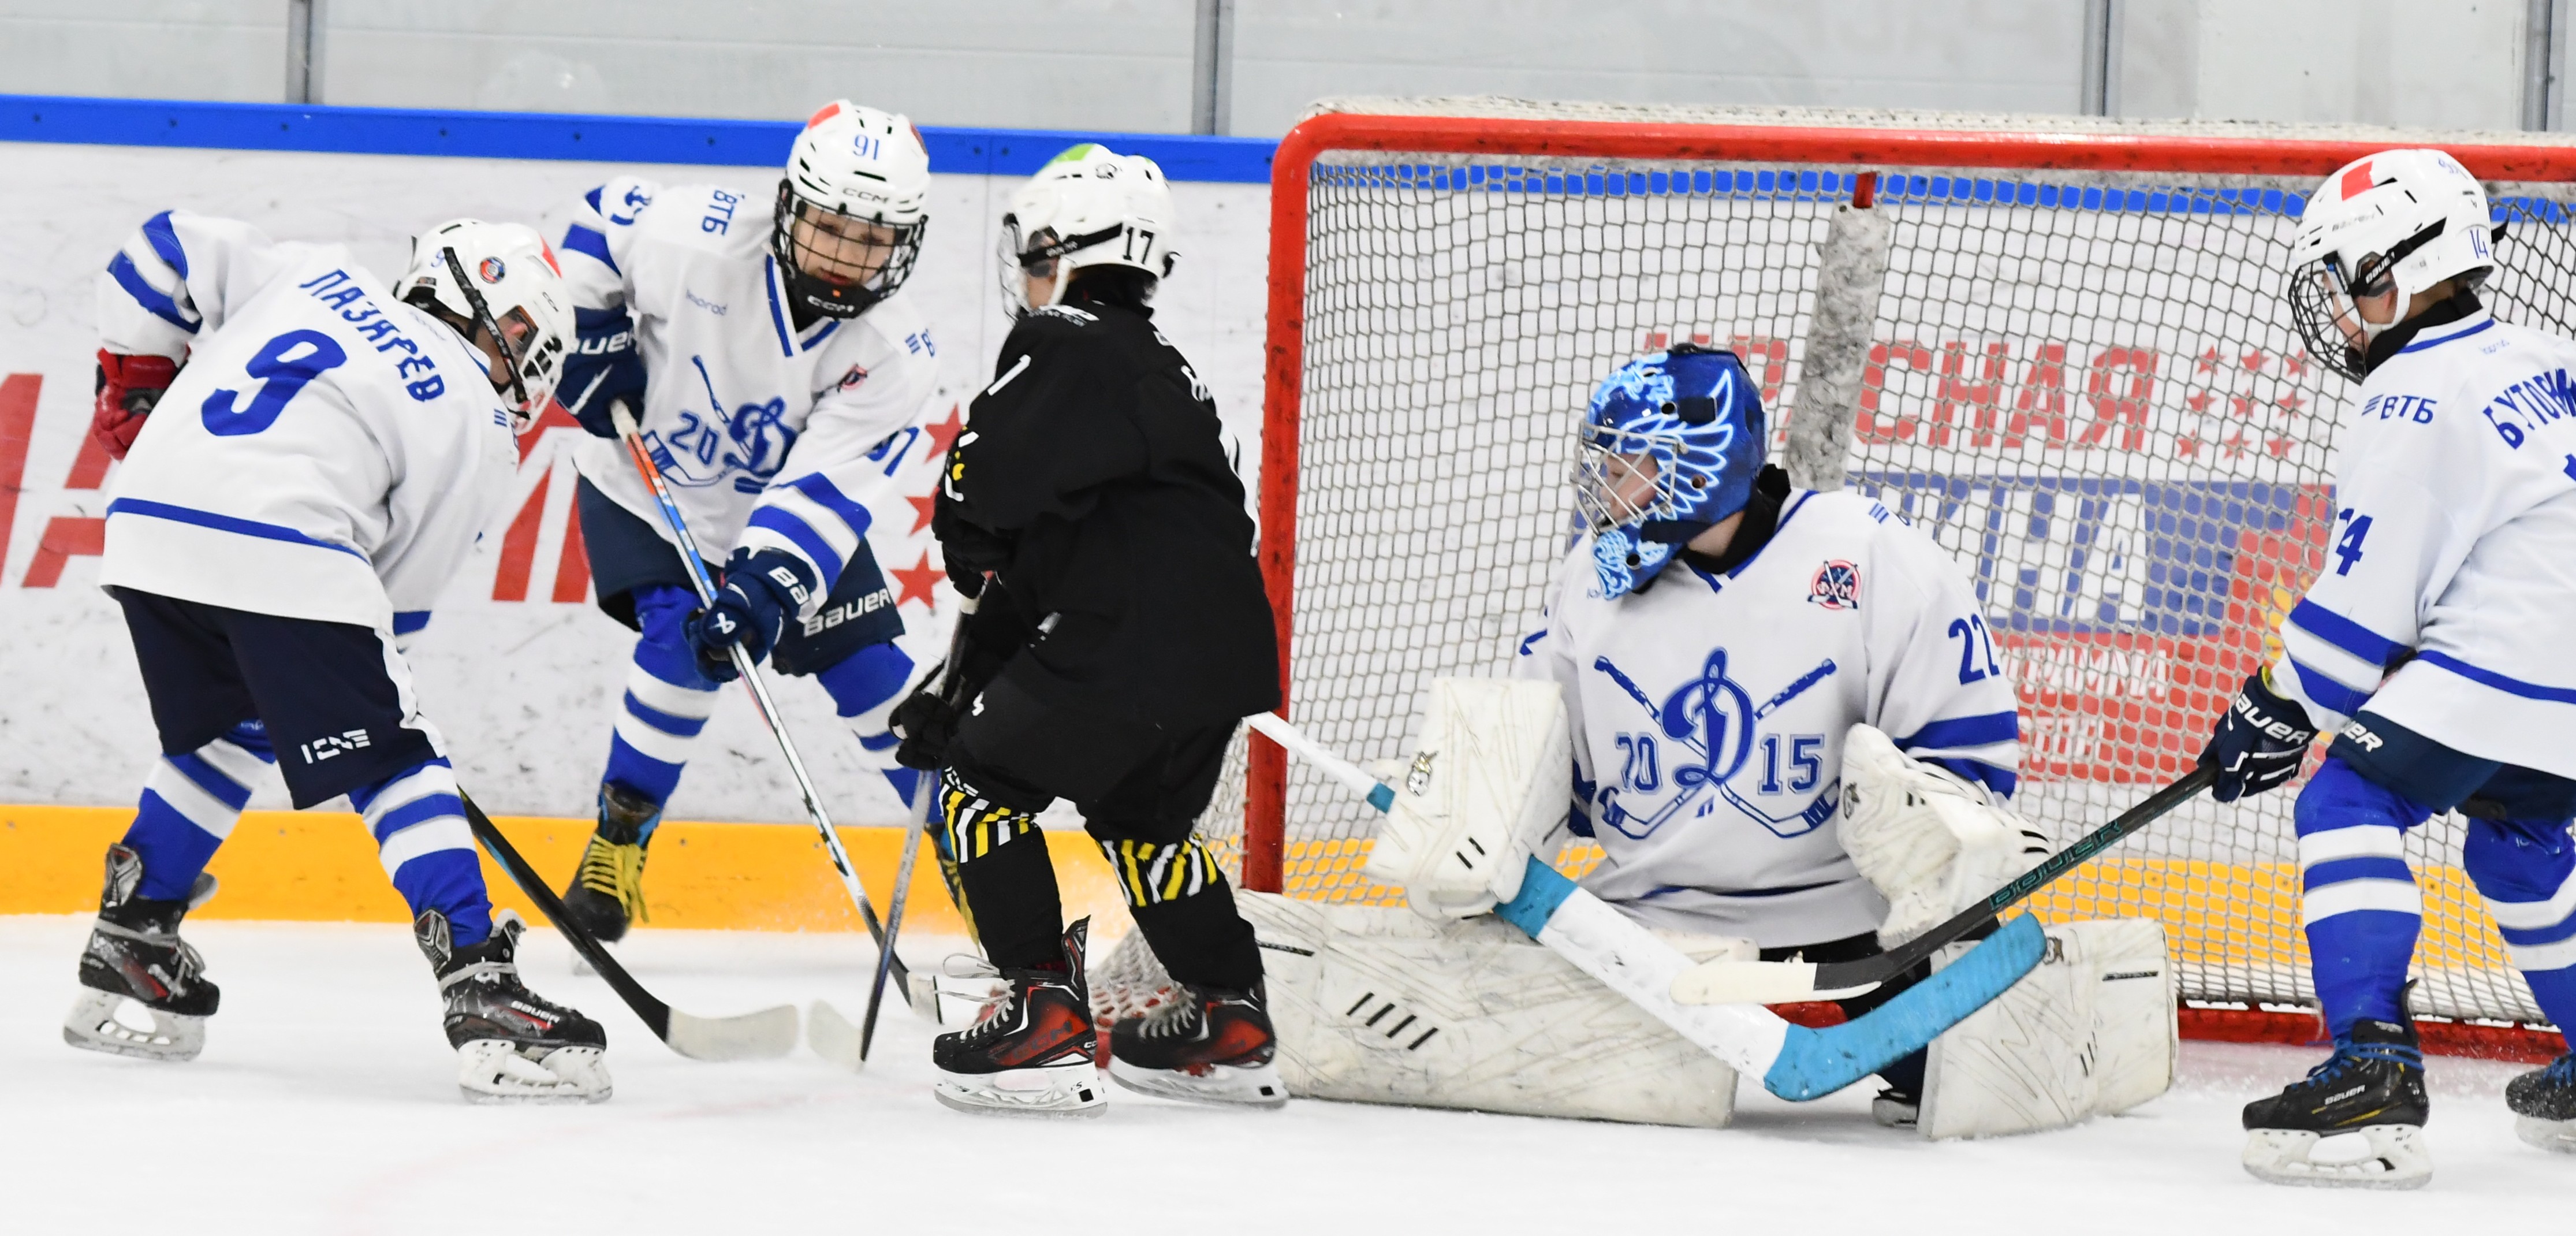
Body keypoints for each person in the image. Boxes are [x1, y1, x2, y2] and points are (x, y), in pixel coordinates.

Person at [70, 209, 609, 1103]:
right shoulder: (476, 416)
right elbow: (396, 609)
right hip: (286, 539)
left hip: (147, 526)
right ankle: (477, 979)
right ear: (489, 313)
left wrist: (136, 381)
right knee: (399, 755)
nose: (527, 362)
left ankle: (133, 935)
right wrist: (372, 716)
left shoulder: (315, 273)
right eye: (524, 337)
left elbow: (165, 244)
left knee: (237, 728)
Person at [1514, 344, 2030, 1126]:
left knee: (1972, 1079)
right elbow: (1536, 760)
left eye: (1624, 469)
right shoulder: (1591, 574)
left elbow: (1969, 754)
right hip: (1647, 931)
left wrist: (1917, 829)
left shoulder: (1863, 551)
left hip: (1852, 940)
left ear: (1695, 467)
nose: (1602, 491)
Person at [2201, 147, 2576, 1186]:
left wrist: (2274, 706)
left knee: (2345, 802)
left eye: (2344, 280)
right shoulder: (2544, 354)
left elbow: (2363, 611)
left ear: (2395, 267)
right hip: (2564, 679)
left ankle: (2370, 1067)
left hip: (2503, 660)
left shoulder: (2409, 393)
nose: (2341, 310)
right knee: (2519, 842)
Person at [890, 144, 1281, 1116]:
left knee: (979, 789)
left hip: (1126, 640)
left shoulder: (1062, 339)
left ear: (1065, 250)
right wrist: (963, 685)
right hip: (1221, 647)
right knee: (1145, 822)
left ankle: (1040, 1012)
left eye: (1035, 254)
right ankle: (1230, 1018)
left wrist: (960, 520)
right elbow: (1057, 556)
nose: (1028, 275)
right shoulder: (1166, 371)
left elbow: (986, 498)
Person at [543, 99, 943, 940]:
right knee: (681, 641)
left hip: (778, 512)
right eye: (829, 228)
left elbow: (824, 494)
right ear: (789, 204)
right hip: (643, 486)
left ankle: (980, 864)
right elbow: (596, 221)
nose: (844, 258)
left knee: (872, 678)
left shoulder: (892, 352)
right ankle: (618, 841)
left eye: (871, 240)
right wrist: (591, 331)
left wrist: (762, 589)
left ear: (904, 242)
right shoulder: (696, 237)